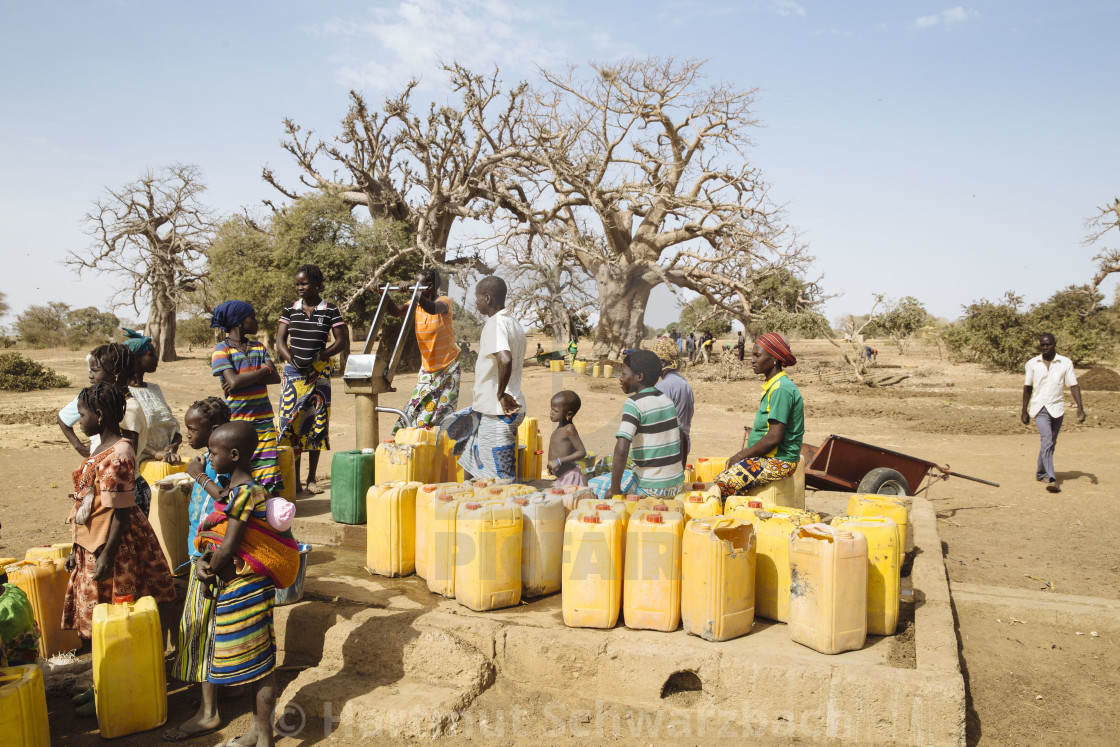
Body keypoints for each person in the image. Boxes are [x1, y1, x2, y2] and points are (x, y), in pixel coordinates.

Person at [62, 382, 175, 715]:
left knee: (115, 618)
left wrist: (108, 554)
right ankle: (102, 684)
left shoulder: (119, 454)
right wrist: (75, 547)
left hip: (112, 547)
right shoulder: (103, 449)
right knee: (100, 622)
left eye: (82, 414)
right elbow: (89, 505)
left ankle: (116, 688)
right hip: (92, 543)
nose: (79, 421)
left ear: (99, 415)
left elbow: (120, 510)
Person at [187, 421, 300, 747]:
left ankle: (264, 738)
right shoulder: (242, 490)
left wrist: (208, 568)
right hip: (242, 587)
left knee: (262, 665)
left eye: (213, 452)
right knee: (257, 663)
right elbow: (221, 508)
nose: (209, 458)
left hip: (247, 588)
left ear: (233, 455)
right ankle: (257, 732)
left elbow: (229, 545)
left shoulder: (246, 492)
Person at [165, 396, 232, 741]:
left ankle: (209, 712)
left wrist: (198, 476)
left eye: (193, 429)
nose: (187, 434)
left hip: (212, 561)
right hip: (198, 556)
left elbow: (226, 499)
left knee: (203, 633)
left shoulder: (223, 463)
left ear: (215, 431)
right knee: (206, 629)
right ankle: (221, 694)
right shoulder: (207, 459)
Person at [275, 265, 350, 495]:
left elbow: (341, 341)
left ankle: (311, 479)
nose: (299, 287)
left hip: (319, 374)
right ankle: (294, 480)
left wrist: (320, 356)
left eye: (304, 283)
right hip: (293, 375)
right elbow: (279, 341)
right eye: (297, 284)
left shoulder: (330, 310)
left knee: (317, 423)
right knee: (292, 425)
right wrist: (294, 361)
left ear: (316, 284)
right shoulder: (290, 309)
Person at [443, 276, 526, 480]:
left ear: (487, 299)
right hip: (501, 409)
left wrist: (500, 394)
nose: (476, 302)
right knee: (473, 465)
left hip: (498, 412)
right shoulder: (513, 323)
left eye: (478, 298)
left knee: (499, 479)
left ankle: (501, 511)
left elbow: (505, 359)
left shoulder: (495, 324)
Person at [713, 333, 804, 499]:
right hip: (768, 458)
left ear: (775, 359)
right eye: (752, 355)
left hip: (779, 461)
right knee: (725, 480)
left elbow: (773, 438)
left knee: (720, 488)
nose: (752, 360)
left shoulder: (780, 389)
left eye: (757, 355)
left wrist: (741, 455)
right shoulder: (775, 386)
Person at [210, 300, 284, 493]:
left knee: (267, 471)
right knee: (241, 469)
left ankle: (266, 513)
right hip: (237, 422)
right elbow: (233, 383)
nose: (257, 321)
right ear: (240, 322)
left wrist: (243, 379)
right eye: (253, 317)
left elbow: (275, 377)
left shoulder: (259, 346)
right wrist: (262, 371)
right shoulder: (221, 350)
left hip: (264, 420)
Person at [385, 268, 461, 432]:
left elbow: (433, 309)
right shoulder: (416, 303)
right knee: (416, 406)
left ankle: (435, 447)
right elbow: (397, 312)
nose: (413, 288)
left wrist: (416, 295)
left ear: (430, 286)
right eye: (412, 285)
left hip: (448, 367)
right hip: (428, 369)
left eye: (417, 285)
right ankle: (408, 437)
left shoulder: (444, 301)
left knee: (442, 411)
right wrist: (384, 294)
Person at [606, 349, 685, 499]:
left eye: (624, 374)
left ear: (639, 376)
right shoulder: (666, 400)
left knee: (595, 484)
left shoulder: (634, 404)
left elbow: (622, 450)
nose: (620, 379)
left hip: (650, 488)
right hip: (677, 485)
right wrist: (678, 474)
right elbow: (683, 437)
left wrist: (614, 491)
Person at [1021, 332, 1085, 493]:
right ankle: (1051, 478)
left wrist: (1080, 408)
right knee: (1047, 440)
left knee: (1050, 443)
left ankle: (1040, 472)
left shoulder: (1065, 363)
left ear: (1054, 344)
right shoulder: (1032, 364)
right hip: (1039, 407)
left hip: (1057, 409)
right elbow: (1027, 388)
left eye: (1048, 344)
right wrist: (1024, 410)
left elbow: (1073, 386)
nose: (1045, 347)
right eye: (1042, 345)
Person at [123, 328, 183, 468]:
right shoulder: (124, 393)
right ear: (136, 359)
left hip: (164, 464)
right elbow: (125, 436)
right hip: (137, 467)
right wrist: (155, 452)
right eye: (151, 355)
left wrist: (174, 444)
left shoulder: (154, 389)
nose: (156, 359)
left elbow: (172, 425)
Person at [647, 337, 695, 466]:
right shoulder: (683, 382)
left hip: (666, 447)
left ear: (662, 363)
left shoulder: (664, 386)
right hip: (683, 444)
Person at [547, 390, 588, 487]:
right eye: (551, 409)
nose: (551, 413)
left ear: (568, 414)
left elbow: (581, 452)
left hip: (570, 477)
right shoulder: (560, 427)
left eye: (555, 411)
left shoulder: (569, 429)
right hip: (562, 477)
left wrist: (558, 461)